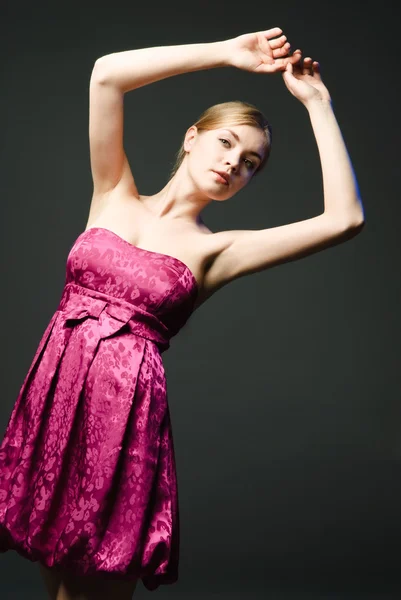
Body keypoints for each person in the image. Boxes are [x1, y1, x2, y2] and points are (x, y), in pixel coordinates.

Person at [0, 27, 364, 600]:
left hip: (120, 428)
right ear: (192, 138)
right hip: (55, 400)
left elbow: (344, 219)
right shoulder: (113, 192)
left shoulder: (216, 252)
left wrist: (318, 104)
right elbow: (106, 73)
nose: (232, 164)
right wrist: (224, 55)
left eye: (249, 163)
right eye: (225, 144)